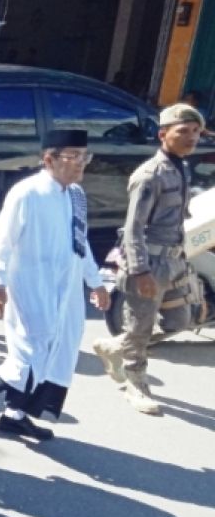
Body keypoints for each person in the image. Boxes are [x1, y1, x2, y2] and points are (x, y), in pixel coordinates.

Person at [0, 129, 110, 440]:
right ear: (49, 159)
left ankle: (14, 415)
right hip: (30, 286)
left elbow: (80, 242)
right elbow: (3, 243)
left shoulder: (76, 195)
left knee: (55, 352)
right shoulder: (27, 193)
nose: (80, 164)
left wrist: (96, 283)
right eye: (73, 157)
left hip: (67, 289)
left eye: (84, 157)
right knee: (29, 353)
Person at [93, 103, 202, 415]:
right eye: (184, 131)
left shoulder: (180, 167)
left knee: (181, 320)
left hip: (174, 261)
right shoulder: (149, 175)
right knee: (141, 326)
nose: (191, 138)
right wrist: (140, 271)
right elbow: (133, 228)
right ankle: (135, 383)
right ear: (163, 134)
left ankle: (115, 346)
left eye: (195, 132)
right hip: (149, 265)